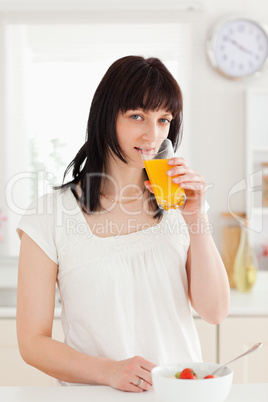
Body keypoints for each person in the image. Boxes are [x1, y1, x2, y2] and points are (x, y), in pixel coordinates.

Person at [16, 55, 230, 392]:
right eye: (137, 116)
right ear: (105, 118)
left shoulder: (181, 204)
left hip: (180, 393)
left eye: (164, 119)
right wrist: (109, 371)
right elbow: (32, 342)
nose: (153, 134)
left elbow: (215, 311)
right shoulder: (50, 215)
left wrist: (196, 218)